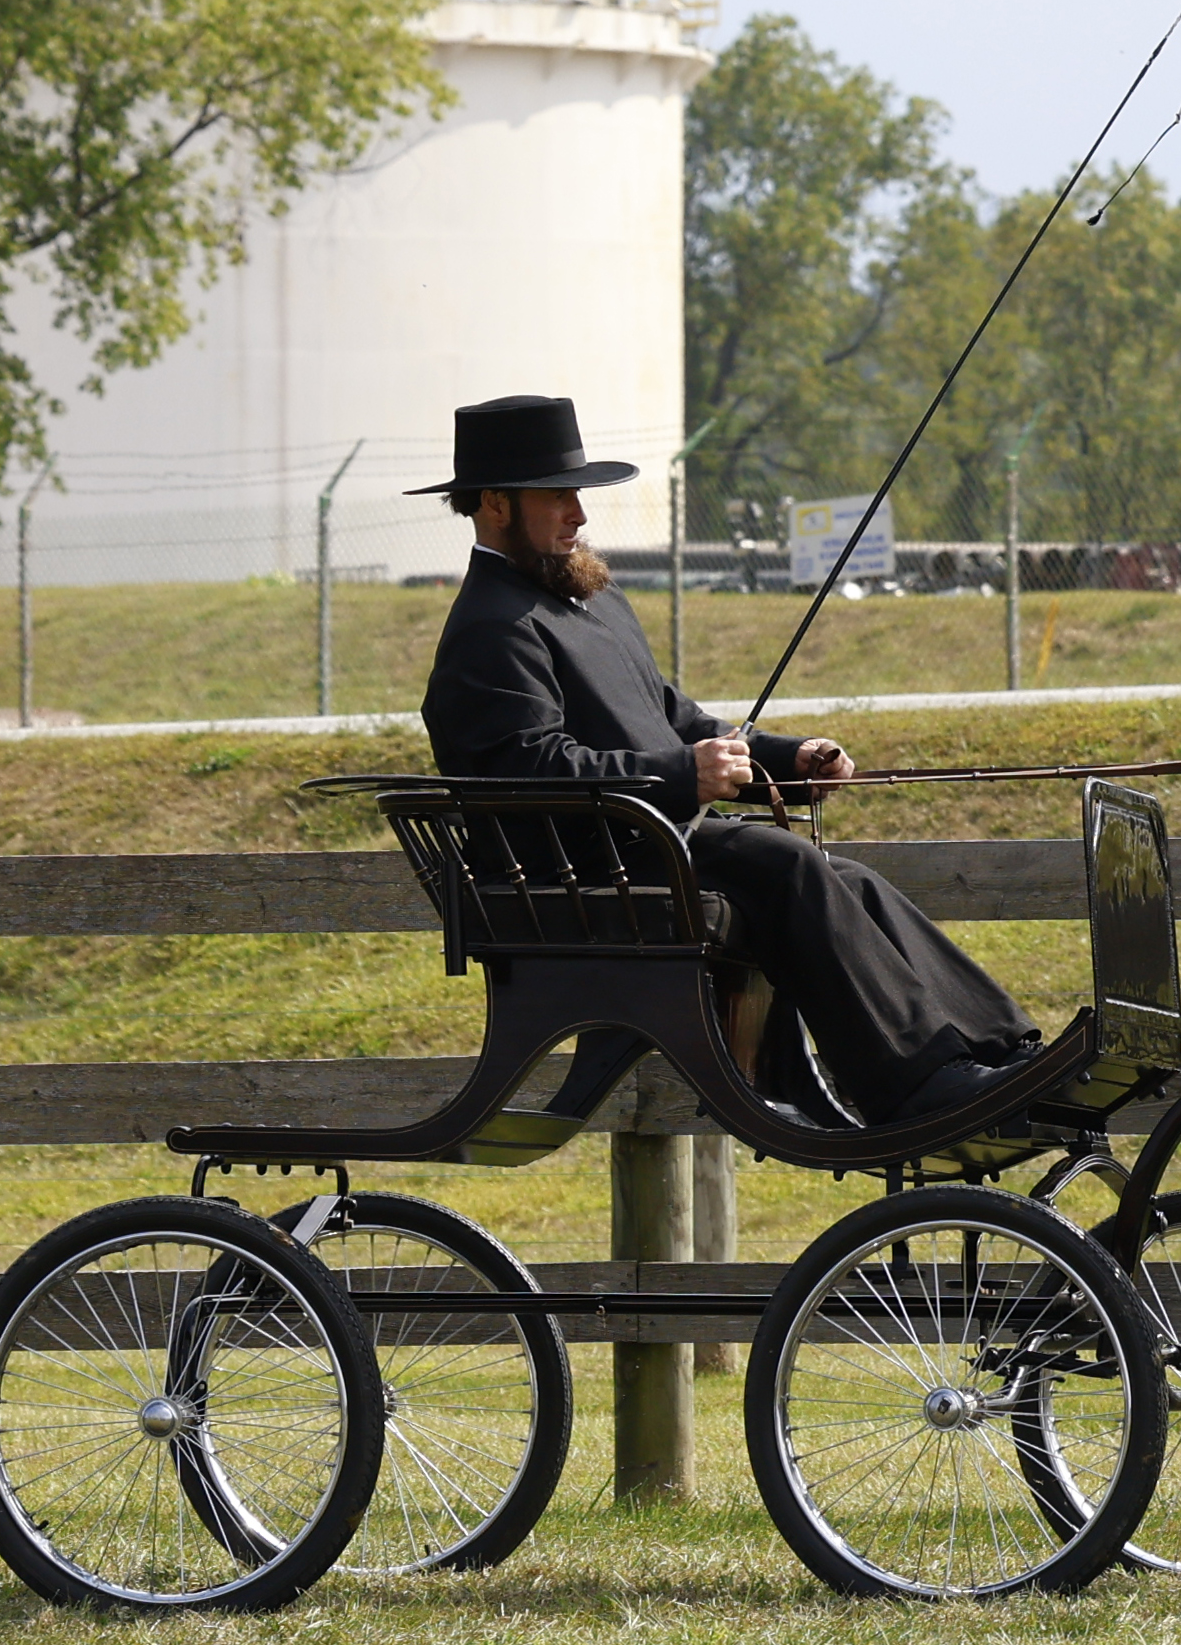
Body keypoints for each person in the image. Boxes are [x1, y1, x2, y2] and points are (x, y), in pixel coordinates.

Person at [414, 395, 1038, 1125]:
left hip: (643, 845)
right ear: (493, 503)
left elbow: (671, 717)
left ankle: (995, 1048)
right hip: (581, 871)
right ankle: (913, 1086)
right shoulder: (489, 626)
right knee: (787, 864)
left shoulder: (588, 602)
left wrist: (785, 759)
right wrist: (682, 776)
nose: (578, 513)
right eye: (558, 494)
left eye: (577, 494)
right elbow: (528, 767)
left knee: (850, 879)